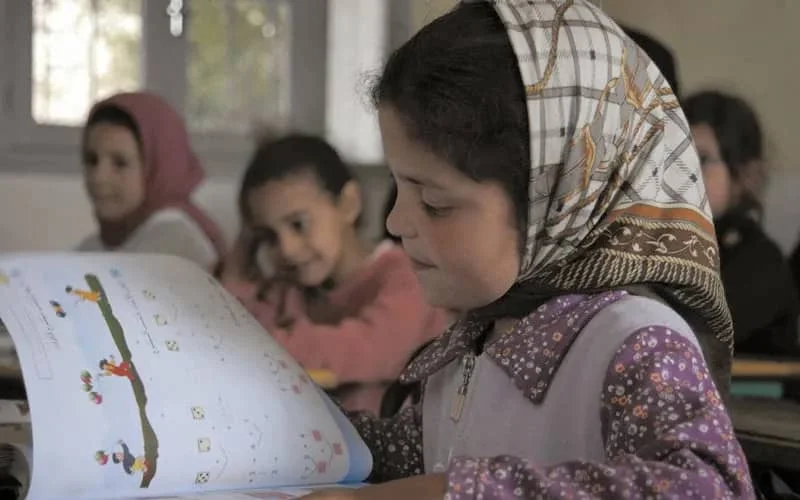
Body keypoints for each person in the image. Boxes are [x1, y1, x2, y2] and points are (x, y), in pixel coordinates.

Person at [301, 1, 752, 498]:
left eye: (434, 201)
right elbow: (426, 450)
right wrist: (290, 423)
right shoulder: (483, 332)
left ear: (556, 197)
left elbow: (707, 489)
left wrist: (450, 492)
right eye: (398, 186)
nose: (394, 222)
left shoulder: (635, 342)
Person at [217, 134, 448, 415]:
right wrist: (238, 268)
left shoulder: (407, 277)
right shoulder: (289, 286)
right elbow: (226, 330)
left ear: (348, 204)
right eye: (268, 236)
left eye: (298, 224)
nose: (286, 249)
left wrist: (258, 345)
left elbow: (365, 351)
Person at [684, 90, 800, 356]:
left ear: (747, 176)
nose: (683, 170)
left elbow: (692, 334)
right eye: (675, 155)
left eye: (702, 159)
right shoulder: (676, 245)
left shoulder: (760, 263)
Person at [76, 92, 226, 268]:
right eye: (91, 160)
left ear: (158, 167)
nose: (98, 177)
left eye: (120, 163)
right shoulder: (95, 246)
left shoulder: (175, 242)